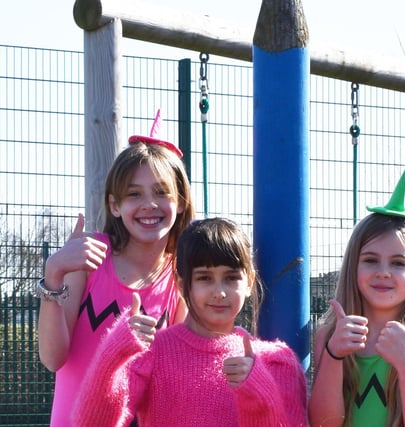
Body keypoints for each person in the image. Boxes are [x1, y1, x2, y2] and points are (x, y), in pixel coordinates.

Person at [35, 110, 195, 426]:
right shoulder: (89, 258)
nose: (149, 204)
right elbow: (53, 358)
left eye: (162, 192)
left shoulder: (182, 276)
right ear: (114, 206)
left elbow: (176, 377)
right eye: (134, 194)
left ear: (180, 202)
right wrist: (54, 273)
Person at [71, 217, 308, 427]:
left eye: (231, 278)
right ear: (182, 284)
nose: (220, 292)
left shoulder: (276, 362)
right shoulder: (153, 353)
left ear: (249, 282)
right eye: (204, 278)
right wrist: (114, 353)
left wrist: (259, 392)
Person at [308, 169, 405, 427]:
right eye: (370, 260)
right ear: (353, 266)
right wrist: (334, 355)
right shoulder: (330, 336)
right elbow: (324, 423)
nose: (383, 273)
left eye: (399, 263)